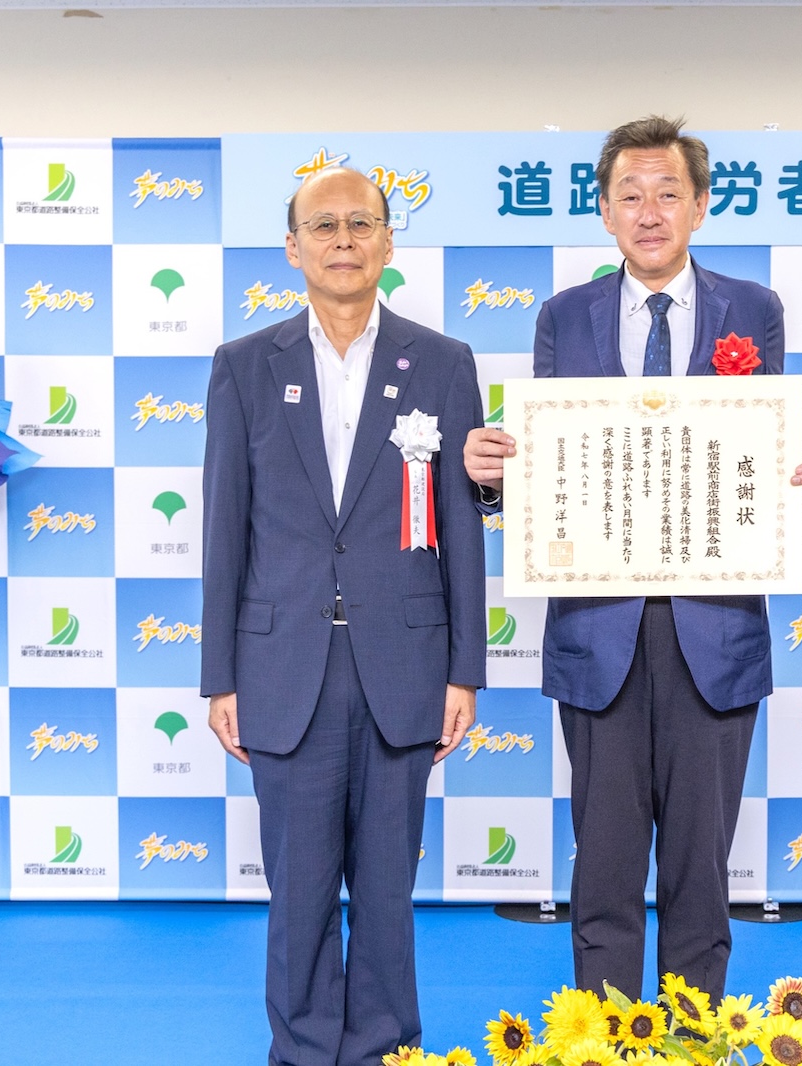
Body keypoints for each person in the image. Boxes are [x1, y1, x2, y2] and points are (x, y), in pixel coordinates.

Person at [463, 116, 802, 1003]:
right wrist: (493, 478)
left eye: (668, 193)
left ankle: (692, 1040)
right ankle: (602, 1043)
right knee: (602, 871)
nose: (650, 212)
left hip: (714, 632)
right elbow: (553, 464)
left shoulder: (753, 310)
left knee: (700, 874)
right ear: (604, 212)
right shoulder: (563, 317)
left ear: (700, 206)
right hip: (597, 633)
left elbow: (748, 453)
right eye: (630, 195)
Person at [201, 166, 485, 1066]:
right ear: (292, 249)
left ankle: (386, 1048)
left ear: (389, 242)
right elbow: (223, 529)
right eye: (322, 226)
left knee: (389, 890)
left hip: (403, 664)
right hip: (283, 667)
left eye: (362, 223)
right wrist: (220, 676)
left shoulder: (443, 362)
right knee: (298, 892)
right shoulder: (244, 365)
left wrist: (465, 669)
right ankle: (302, 1048)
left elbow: (462, 531)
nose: (343, 241)